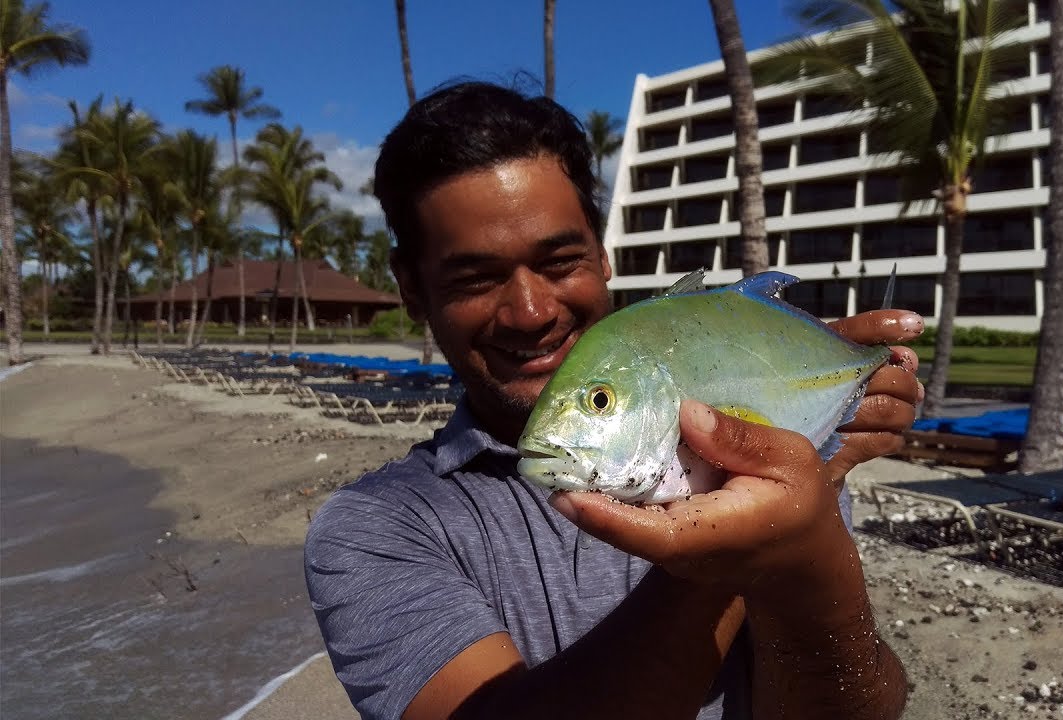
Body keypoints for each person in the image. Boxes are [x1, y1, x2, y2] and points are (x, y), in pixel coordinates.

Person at [304, 81, 925, 720]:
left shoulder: (782, 452)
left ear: (602, 255)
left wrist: (807, 526)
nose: (531, 312)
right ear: (410, 287)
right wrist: (722, 566)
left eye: (559, 261)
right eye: (475, 278)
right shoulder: (378, 530)